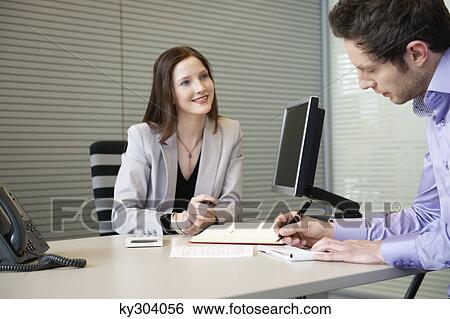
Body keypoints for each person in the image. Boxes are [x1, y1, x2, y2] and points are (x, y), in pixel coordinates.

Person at [274, 0, 450, 272]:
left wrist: (377, 250)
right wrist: (331, 231)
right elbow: (427, 216)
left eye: (369, 69)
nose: (363, 83)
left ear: (416, 53)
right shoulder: (437, 108)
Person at [112, 46, 243, 236]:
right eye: (185, 82)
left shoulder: (230, 131)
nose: (200, 88)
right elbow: (121, 215)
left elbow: (234, 206)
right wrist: (177, 221)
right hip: (155, 253)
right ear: (169, 93)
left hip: (205, 253)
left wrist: (210, 217)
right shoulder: (141, 136)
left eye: (204, 76)